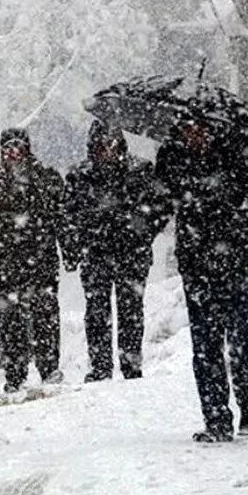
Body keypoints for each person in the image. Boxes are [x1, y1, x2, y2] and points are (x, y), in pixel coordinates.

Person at [155, 120, 248, 442]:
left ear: (214, 128)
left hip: (241, 263)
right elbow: (159, 204)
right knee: (206, 347)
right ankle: (216, 419)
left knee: (243, 342)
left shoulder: (244, 154)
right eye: (187, 129)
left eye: (199, 129)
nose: (194, 136)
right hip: (199, 266)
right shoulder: (173, 158)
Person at [61, 121, 173, 382]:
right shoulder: (79, 177)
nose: (107, 150)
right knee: (97, 310)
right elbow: (67, 216)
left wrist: (143, 232)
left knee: (131, 310)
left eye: (111, 144)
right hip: (96, 253)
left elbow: (161, 207)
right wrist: (74, 247)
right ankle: (101, 366)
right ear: (93, 147)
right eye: (101, 145)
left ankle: (131, 364)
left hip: (132, 253)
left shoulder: (141, 171)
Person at [0, 128, 66, 393]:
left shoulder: (46, 179)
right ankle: (16, 374)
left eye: (18, 147)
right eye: (8, 147)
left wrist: (70, 250)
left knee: (45, 316)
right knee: (12, 321)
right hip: (5, 262)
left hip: (41, 260)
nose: (13, 153)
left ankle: (49, 367)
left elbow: (63, 219)